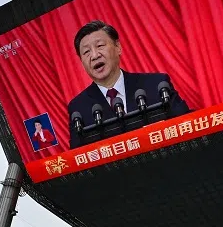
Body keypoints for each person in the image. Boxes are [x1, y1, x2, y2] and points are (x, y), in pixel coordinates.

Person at [67, 20, 190, 149]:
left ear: (118, 47)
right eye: (86, 52)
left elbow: (186, 125)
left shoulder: (157, 85)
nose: (94, 55)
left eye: (100, 46)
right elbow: (77, 157)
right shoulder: (78, 107)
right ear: (81, 62)